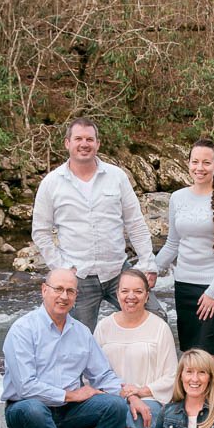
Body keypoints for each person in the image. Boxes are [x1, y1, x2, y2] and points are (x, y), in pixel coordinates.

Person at [1, 268, 128, 428]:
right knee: (34, 409)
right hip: (25, 410)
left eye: (70, 291)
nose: (64, 296)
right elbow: (26, 388)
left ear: (76, 296)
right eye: (58, 289)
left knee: (116, 406)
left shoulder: (80, 332)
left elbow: (103, 375)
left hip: (68, 413)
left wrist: (128, 396)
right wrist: (72, 395)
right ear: (44, 290)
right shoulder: (23, 329)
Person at [32, 117, 163, 331]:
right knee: (80, 338)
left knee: (156, 316)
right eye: (78, 139)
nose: (84, 144)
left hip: (118, 271)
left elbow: (135, 223)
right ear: (67, 143)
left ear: (97, 144)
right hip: (79, 278)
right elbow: (40, 232)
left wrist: (148, 263)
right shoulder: (51, 183)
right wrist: (61, 268)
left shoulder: (116, 176)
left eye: (89, 139)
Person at [93, 269, 177, 428]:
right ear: (117, 294)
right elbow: (94, 372)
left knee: (130, 412)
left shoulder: (159, 328)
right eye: (125, 291)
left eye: (138, 291)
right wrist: (126, 395)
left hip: (151, 397)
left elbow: (171, 376)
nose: (131, 296)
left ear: (147, 296)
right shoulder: (104, 327)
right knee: (115, 411)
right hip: (114, 395)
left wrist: (138, 392)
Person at [155, 139, 214, 362]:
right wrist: (149, 271)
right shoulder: (177, 198)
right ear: (188, 163)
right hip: (184, 283)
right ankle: (190, 398)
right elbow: (172, 244)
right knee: (189, 353)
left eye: (206, 162)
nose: (199, 168)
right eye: (195, 162)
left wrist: (213, 293)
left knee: (209, 354)